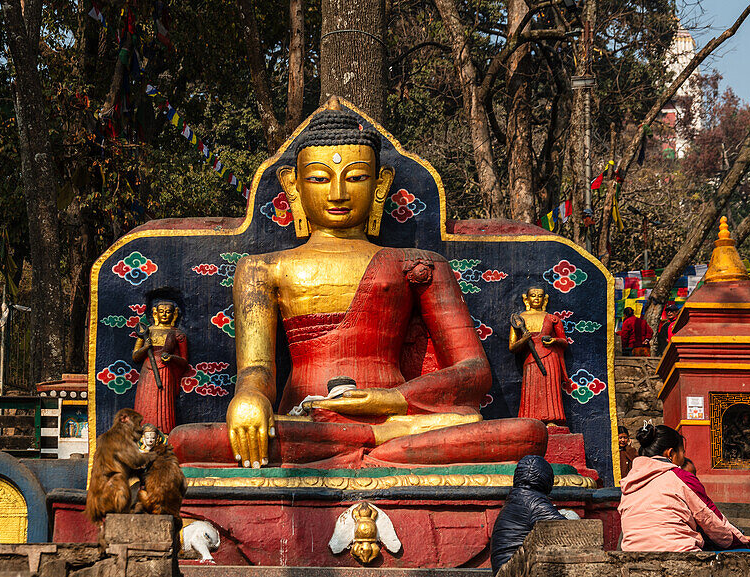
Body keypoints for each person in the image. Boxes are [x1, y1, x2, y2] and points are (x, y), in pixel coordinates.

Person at [169, 100, 547, 468]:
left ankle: (370, 441)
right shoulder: (262, 269)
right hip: (310, 419)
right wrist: (248, 398)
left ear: (380, 183)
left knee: (528, 434)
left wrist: (391, 400)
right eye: (319, 179)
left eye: (355, 177)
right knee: (187, 441)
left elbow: (473, 372)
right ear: (293, 186)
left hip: (399, 420)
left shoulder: (419, 264)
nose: (337, 193)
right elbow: (257, 369)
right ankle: (374, 448)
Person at [619, 424, 750, 551]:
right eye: (682, 453)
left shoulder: (628, 484)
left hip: (632, 554)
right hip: (679, 553)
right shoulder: (680, 476)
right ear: (670, 454)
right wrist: (740, 540)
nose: (683, 459)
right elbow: (711, 519)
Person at [490, 455, 566, 571]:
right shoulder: (533, 500)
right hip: (516, 572)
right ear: (546, 479)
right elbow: (565, 528)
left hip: (505, 568)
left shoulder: (516, 497)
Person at [509, 287, 568, 426]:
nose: (536, 298)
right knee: (532, 390)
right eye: (533, 295)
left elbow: (564, 341)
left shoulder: (552, 319)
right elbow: (512, 347)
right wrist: (524, 339)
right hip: (531, 360)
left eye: (540, 296)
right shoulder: (519, 320)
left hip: (550, 358)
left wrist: (554, 340)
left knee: (550, 390)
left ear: (544, 299)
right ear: (526, 299)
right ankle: (531, 419)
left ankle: (551, 419)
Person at [132, 297, 189, 433]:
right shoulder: (146, 332)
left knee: (164, 405)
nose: (164, 314)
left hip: (165, 373)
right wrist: (146, 347)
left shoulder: (178, 334)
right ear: (155, 313)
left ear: (173, 314)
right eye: (161, 311)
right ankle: (142, 434)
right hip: (147, 372)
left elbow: (184, 362)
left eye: (168, 312)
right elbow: (135, 356)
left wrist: (171, 358)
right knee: (146, 402)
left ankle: (165, 434)